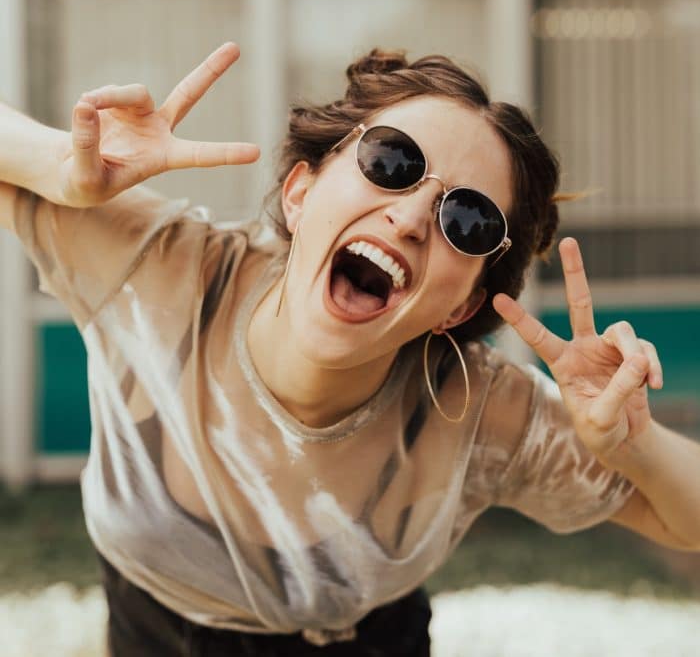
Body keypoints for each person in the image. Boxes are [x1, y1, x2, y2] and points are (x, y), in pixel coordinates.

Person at [1, 42, 698, 656]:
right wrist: (59, 167)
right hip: (146, 629)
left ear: (460, 306)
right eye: (392, 162)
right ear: (301, 193)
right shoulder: (159, 268)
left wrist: (630, 446)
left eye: (468, 219)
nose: (412, 217)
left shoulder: (475, 410)